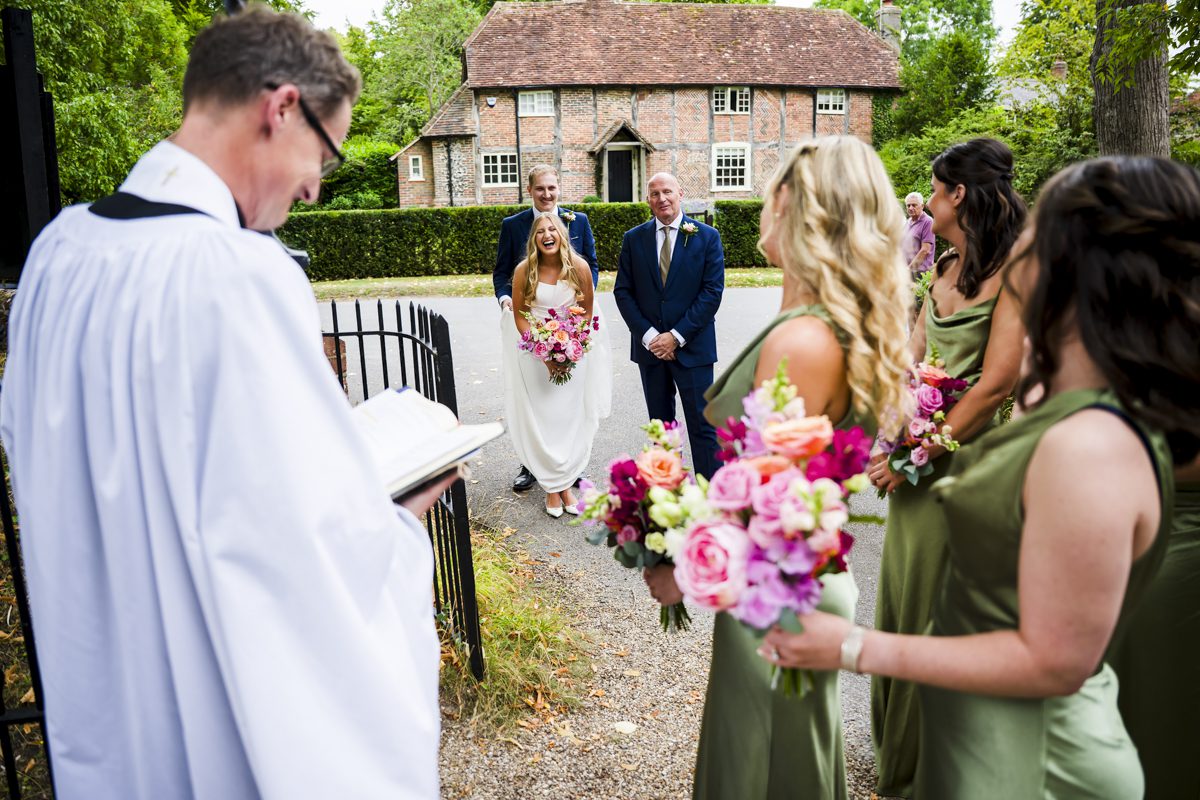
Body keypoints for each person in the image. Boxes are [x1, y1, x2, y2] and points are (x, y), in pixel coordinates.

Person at [0, 8, 449, 798]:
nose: (315, 187)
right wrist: (397, 526)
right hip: (216, 714)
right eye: (326, 151)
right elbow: (298, 540)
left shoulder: (56, 257)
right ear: (280, 109)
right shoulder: (243, 275)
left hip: (105, 692)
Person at [762, 155, 1200, 799]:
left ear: (1074, 263)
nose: (1022, 237)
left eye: (1040, 227)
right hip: (989, 743)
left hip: (1041, 765)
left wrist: (853, 647)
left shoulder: (1091, 443)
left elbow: (1052, 659)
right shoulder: (1070, 403)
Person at [643, 137, 912, 799]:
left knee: (758, 769)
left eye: (772, 190)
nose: (765, 202)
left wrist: (680, 565)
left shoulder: (805, 338)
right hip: (793, 576)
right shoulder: (819, 323)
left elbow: (759, 492)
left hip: (776, 592)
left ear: (795, 203)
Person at [867, 138, 1027, 798]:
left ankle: (936, 768)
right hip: (916, 454)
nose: (927, 204)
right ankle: (897, 751)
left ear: (958, 194)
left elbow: (995, 384)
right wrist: (890, 418)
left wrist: (913, 456)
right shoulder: (945, 264)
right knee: (906, 592)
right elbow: (914, 351)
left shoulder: (1018, 271)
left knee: (941, 602)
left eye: (933, 192)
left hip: (968, 463)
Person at [494, 165, 599, 493]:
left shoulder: (578, 221)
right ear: (530, 190)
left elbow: (591, 265)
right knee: (534, 398)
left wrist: (578, 300)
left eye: (552, 188)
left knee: (568, 400)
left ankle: (571, 466)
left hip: (572, 322)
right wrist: (504, 300)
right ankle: (531, 465)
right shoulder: (513, 226)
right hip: (530, 324)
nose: (547, 194)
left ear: (559, 188)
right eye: (540, 188)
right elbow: (501, 273)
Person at [613, 172, 724, 480]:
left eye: (667, 192)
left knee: (704, 427)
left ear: (680, 193)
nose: (661, 198)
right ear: (647, 200)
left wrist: (676, 337)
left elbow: (712, 292)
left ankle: (713, 498)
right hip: (651, 352)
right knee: (661, 429)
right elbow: (623, 291)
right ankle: (668, 496)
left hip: (694, 348)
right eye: (654, 194)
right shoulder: (634, 239)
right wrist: (651, 337)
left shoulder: (706, 237)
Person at [500, 213, 611, 516]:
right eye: (540, 232)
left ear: (562, 234)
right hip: (535, 355)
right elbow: (520, 315)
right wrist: (544, 351)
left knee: (568, 420)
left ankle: (562, 483)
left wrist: (568, 348)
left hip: (573, 353)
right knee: (544, 421)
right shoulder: (525, 270)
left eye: (552, 230)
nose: (547, 235)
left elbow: (586, 313)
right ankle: (554, 488)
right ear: (533, 240)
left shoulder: (580, 268)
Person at [903, 191, 935, 276]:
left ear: (922, 206)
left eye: (914, 205)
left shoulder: (928, 221)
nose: (910, 208)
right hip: (907, 271)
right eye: (908, 205)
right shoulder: (908, 221)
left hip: (920, 273)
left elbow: (925, 250)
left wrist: (909, 269)